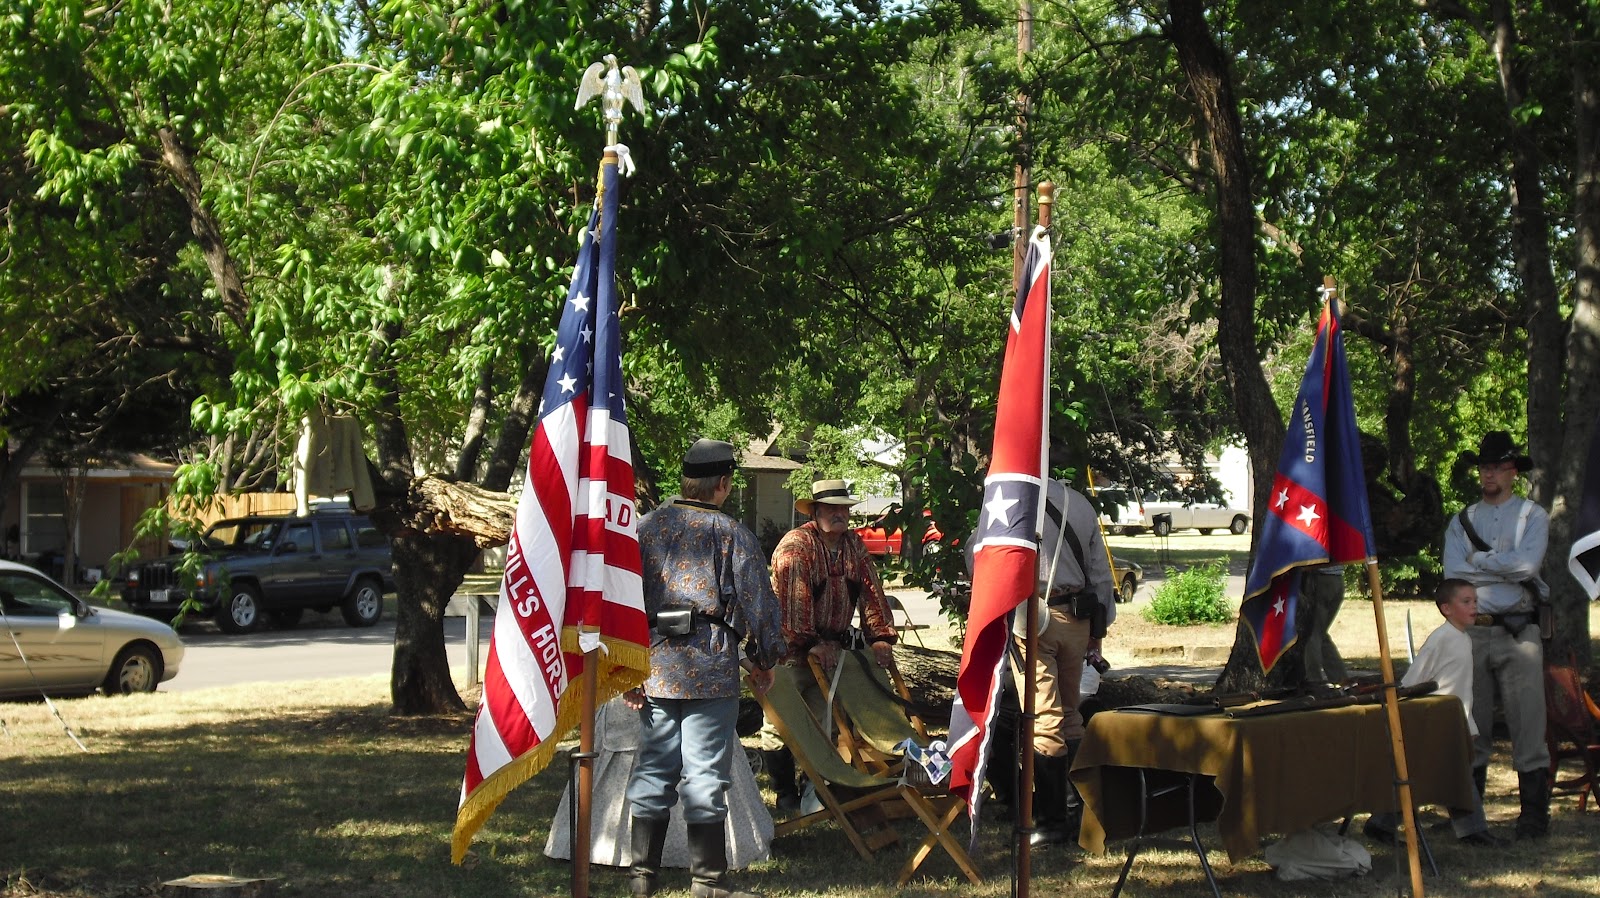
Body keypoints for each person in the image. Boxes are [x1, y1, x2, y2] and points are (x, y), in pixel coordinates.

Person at [624, 438, 786, 898]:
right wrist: (764, 659)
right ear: (723, 483)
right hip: (711, 667)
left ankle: (642, 881)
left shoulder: (643, 528)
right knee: (705, 776)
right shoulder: (730, 533)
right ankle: (708, 884)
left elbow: (621, 601)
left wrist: (626, 668)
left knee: (654, 769)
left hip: (654, 665)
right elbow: (758, 603)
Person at [973, 478, 1114, 847]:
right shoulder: (1078, 502)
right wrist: (1100, 625)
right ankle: (1080, 810)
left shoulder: (1010, 497)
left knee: (1045, 719)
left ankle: (1054, 821)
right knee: (1069, 716)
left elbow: (980, 556)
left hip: (1032, 618)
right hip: (1077, 619)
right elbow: (1099, 570)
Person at [1442, 430, 1551, 839]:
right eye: (1485, 467)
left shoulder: (1533, 516)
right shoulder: (1463, 520)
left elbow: (1527, 569)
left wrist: (1482, 561)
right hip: (1473, 633)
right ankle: (1471, 817)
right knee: (1472, 725)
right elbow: (1454, 574)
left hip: (1518, 631)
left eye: (1498, 467)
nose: (1490, 474)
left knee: (1528, 724)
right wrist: (1501, 566)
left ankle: (1534, 817)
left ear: (1512, 472)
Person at [764, 479, 899, 813]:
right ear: (816, 511)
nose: (839, 514)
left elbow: (871, 590)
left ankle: (814, 790)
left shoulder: (854, 545)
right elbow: (793, 603)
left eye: (844, 508)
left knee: (824, 725)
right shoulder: (797, 546)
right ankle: (784, 793)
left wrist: (880, 635)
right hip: (788, 654)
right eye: (832, 508)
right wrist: (809, 643)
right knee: (779, 725)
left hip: (829, 652)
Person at [1363, 579, 1505, 847]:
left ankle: (1381, 821)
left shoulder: (1461, 639)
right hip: (1434, 719)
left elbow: (1461, 691)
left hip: (1451, 719)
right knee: (1452, 772)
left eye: (1475, 601)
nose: (1474, 606)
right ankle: (1472, 829)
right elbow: (1416, 679)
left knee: (1440, 773)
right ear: (1446, 608)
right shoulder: (1442, 639)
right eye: (1466, 601)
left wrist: (1468, 724)